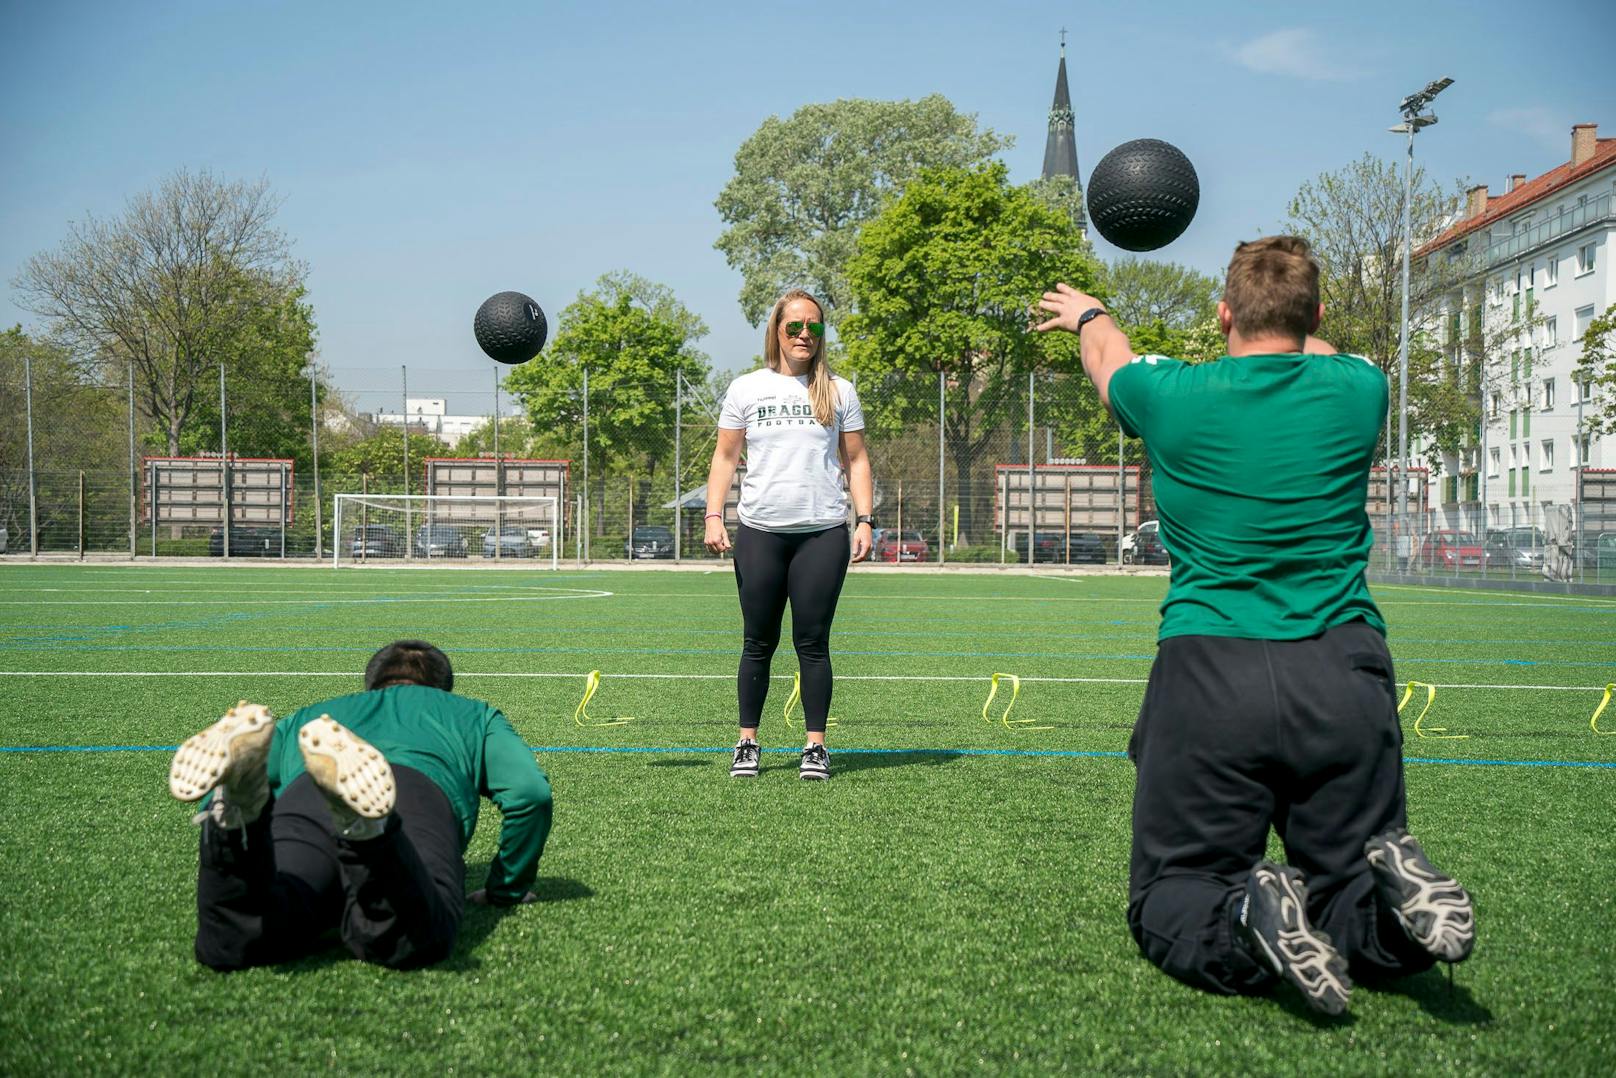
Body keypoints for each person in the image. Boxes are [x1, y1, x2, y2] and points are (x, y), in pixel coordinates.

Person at [1035, 236, 1474, 1016]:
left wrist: (1088, 314)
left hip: (1212, 669)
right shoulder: (1358, 388)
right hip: (1342, 668)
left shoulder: (1169, 393)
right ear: (1317, 315)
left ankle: (1246, 915)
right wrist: (1294, 320)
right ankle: (1396, 924)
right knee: (1349, 884)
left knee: (1178, 891)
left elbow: (1107, 354)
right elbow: (1319, 348)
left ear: (1223, 312)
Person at [168, 640, 552, 970]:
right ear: (441, 689)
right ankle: (368, 828)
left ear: (371, 684)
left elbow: (205, 790)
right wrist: (507, 889)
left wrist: (223, 813)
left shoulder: (317, 715)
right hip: (415, 798)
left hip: (305, 796)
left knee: (243, 932)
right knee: (412, 937)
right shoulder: (473, 714)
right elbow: (529, 794)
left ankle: (238, 814)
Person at [704, 289, 874, 781]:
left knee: (813, 643)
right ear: (776, 330)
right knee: (757, 641)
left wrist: (865, 519)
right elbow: (725, 457)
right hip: (760, 532)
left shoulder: (840, 390)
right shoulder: (746, 388)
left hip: (822, 533)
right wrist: (714, 514)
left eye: (814, 327)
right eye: (795, 326)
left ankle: (815, 747)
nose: (805, 335)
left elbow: (857, 460)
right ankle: (747, 743)